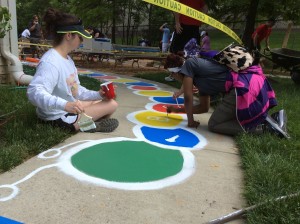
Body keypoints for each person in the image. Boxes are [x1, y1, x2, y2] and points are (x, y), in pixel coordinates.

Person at [27, 8, 119, 133]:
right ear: (69, 35)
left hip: (67, 110)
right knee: (112, 105)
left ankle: (88, 123)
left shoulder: (68, 60)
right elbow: (34, 92)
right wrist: (65, 105)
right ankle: (87, 125)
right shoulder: (51, 62)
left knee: (103, 101)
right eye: (80, 37)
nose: (82, 40)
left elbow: (76, 91)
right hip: (56, 117)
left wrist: (99, 94)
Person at [164, 53, 289, 138]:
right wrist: (177, 110)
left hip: (242, 86)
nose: (174, 79)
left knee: (214, 125)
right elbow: (203, 108)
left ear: (177, 73)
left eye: (172, 76)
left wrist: (190, 121)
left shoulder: (190, 64)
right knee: (223, 120)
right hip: (249, 82)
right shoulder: (201, 80)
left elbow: (188, 96)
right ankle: (273, 119)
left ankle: (265, 128)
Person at [165, 0, 207, 82]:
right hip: (194, 27)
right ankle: (191, 75)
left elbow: (176, 6)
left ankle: (175, 74)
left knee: (175, 51)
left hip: (183, 25)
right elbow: (205, 8)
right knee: (193, 52)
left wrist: (177, 22)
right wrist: (201, 20)